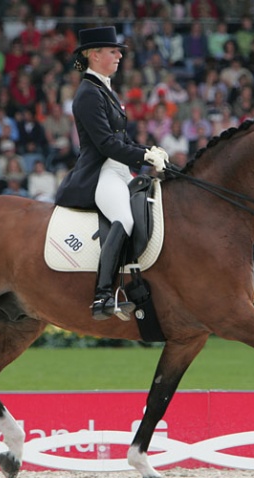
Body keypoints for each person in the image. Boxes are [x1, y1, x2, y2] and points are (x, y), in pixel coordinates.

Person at [54, 26, 169, 321]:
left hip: (119, 169)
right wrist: (143, 156)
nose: (119, 55)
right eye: (113, 50)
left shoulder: (105, 90)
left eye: (118, 51)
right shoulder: (88, 94)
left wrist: (149, 150)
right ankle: (103, 295)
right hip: (101, 172)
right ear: (94, 55)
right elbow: (106, 145)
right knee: (125, 219)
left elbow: (122, 140)